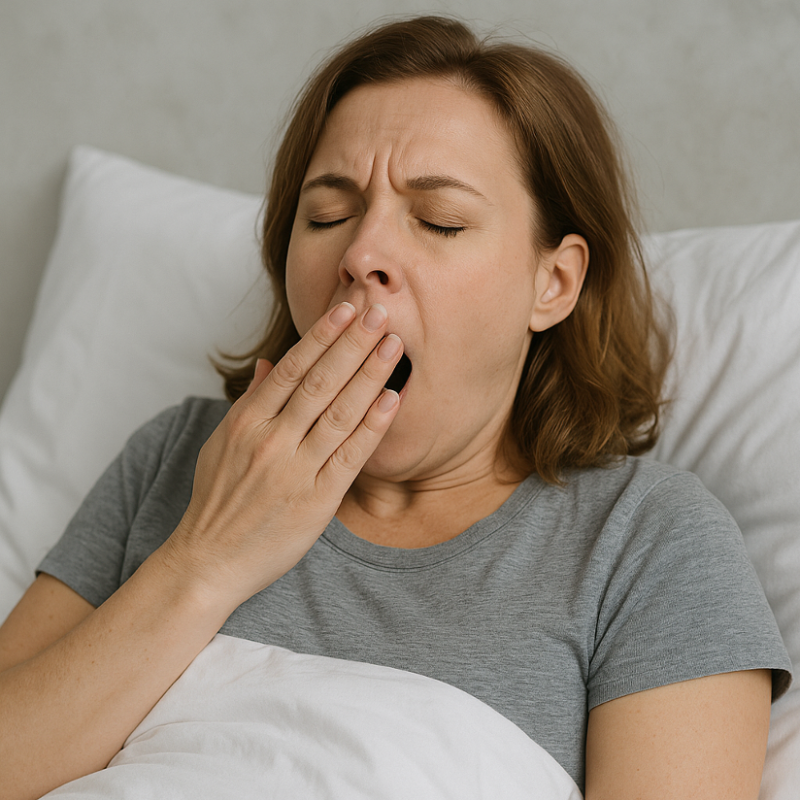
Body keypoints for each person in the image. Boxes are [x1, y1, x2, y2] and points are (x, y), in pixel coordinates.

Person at [0, 15, 791, 800]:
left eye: (439, 220)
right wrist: (203, 561)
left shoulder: (648, 543)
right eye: (327, 216)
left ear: (553, 283)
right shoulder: (179, 457)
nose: (360, 255)